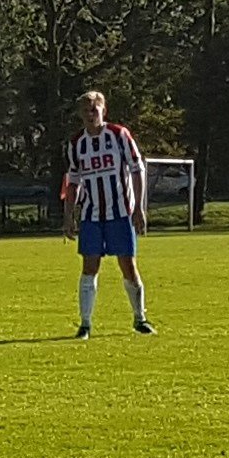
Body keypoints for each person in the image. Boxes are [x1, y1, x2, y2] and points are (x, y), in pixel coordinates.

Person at [64, 92, 153, 338]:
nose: (90, 115)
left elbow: (137, 169)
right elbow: (72, 180)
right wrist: (69, 215)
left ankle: (140, 318)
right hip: (91, 215)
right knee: (89, 267)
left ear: (104, 110)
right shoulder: (76, 144)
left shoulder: (118, 135)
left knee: (128, 266)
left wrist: (139, 208)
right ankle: (85, 324)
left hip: (120, 213)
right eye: (85, 111)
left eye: (94, 109)